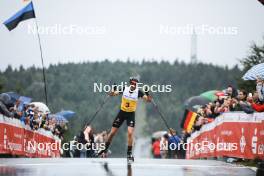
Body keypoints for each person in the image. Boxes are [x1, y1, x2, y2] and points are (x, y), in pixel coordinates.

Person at [97, 76, 152, 162]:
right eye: (132, 83)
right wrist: (113, 90)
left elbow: (148, 100)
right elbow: (112, 94)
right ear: (130, 83)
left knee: (130, 133)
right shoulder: (124, 89)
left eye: (135, 84)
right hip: (122, 113)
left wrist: (148, 94)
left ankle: (129, 153)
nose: (134, 85)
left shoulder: (138, 92)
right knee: (112, 133)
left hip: (130, 114)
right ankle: (105, 149)